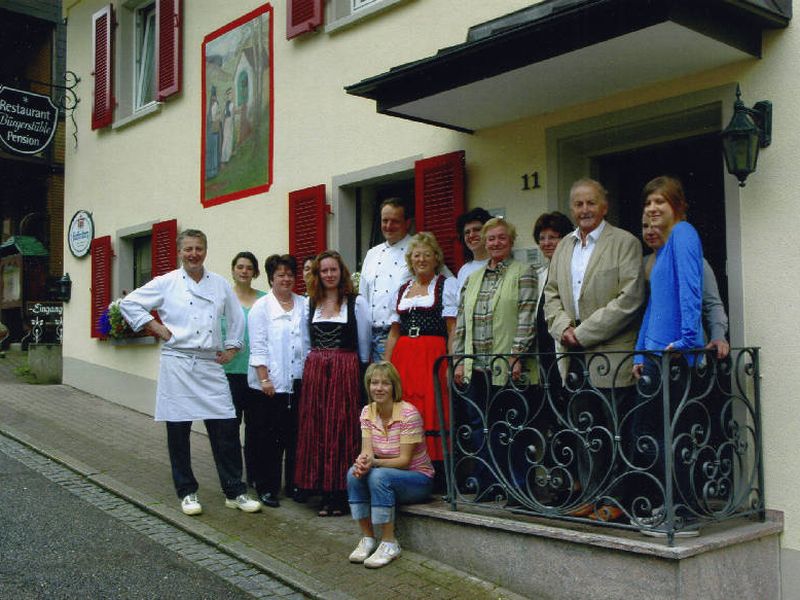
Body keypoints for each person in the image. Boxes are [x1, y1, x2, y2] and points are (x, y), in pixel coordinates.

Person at [119, 229, 261, 516]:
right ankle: (187, 491)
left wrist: (233, 348)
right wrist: (155, 327)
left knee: (226, 428)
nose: (193, 254)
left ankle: (235, 491)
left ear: (205, 251)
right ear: (179, 252)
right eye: (188, 249)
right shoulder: (166, 282)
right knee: (178, 430)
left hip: (210, 364)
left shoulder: (220, 285)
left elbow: (236, 320)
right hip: (178, 362)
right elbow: (129, 303)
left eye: (198, 248)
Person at [543, 179, 645, 521]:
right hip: (574, 358)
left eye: (590, 203)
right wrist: (563, 330)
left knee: (614, 430)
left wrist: (582, 333)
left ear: (604, 206)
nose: (584, 210)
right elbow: (552, 295)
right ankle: (590, 493)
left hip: (611, 356)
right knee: (584, 429)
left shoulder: (625, 243)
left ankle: (616, 500)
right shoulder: (564, 247)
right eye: (578, 204)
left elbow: (630, 299)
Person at [632, 176, 704, 536]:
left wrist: (688, 339)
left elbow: (692, 288)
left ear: (677, 205)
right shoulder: (662, 250)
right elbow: (654, 308)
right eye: (648, 204)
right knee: (651, 434)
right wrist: (639, 353)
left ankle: (683, 514)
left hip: (675, 357)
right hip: (657, 357)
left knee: (670, 438)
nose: (652, 209)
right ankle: (668, 507)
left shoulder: (684, 235)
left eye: (660, 202)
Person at [452, 218, 538, 493]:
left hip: (509, 366)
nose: (496, 243)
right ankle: (487, 482)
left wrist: (516, 356)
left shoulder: (524, 272)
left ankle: (517, 486)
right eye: (491, 239)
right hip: (477, 367)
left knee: (513, 426)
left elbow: (527, 317)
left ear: (511, 241)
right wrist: (459, 361)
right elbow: (462, 322)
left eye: (502, 238)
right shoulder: (472, 278)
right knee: (481, 426)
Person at [294, 250, 371, 516]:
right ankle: (322, 491)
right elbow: (306, 342)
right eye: (324, 270)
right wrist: (312, 369)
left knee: (342, 428)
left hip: (345, 368)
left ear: (342, 272)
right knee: (318, 429)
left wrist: (356, 374)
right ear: (318, 274)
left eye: (333, 270)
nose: (329, 275)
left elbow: (364, 345)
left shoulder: (356, 303)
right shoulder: (309, 303)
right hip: (316, 369)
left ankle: (340, 493)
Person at [347, 361, 434, 569]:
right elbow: (367, 451)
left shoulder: (408, 414)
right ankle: (368, 538)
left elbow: (404, 461)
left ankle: (389, 543)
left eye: (385, 383)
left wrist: (374, 463)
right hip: (389, 476)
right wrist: (363, 462)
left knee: (379, 476)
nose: (379, 388)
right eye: (374, 382)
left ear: (394, 386)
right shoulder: (367, 412)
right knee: (353, 474)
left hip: (418, 479)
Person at [384, 232, 458, 467]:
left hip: (433, 355)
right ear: (411, 260)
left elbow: (452, 328)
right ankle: (405, 460)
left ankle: (434, 465)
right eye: (417, 255)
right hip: (404, 356)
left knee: (433, 407)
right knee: (405, 406)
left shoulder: (446, 285)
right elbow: (394, 332)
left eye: (427, 255)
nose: (421, 259)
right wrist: (386, 365)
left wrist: (452, 360)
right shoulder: (402, 289)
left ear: (436, 258)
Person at [248, 254, 310, 508]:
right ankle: (266, 487)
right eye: (280, 275)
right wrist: (264, 379)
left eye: (289, 274)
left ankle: (294, 484)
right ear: (271, 278)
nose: (286, 279)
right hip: (269, 385)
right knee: (268, 439)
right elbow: (259, 345)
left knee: (295, 437)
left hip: (298, 382)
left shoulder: (305, 304)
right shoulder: (261, 307)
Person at [642, 218, 729, 359]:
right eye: (646, 226)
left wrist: (718, 335)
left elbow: (712, 304)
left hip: (688, 354)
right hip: (653, 354)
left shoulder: (695, 261)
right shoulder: (642, 264)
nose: (650, 231)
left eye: (657, 226)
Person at [221, 252, 266, 492]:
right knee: (229, 428)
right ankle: (233, 476)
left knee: (256, 429)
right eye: (239, 266)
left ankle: (255, 476)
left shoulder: (264, 300)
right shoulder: (223, 299)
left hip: (256, 373)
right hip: (230, 373)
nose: (244, 271)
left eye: (249, 267)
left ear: (255, 272)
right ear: (233, 270)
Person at [359, 198, 413, 362]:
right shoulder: (372, 253)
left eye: (395, 221)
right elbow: (362, 297)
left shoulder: (417, 249)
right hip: (370, 335)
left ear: (407, 223)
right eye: (385, 221)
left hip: (398, 333)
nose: (388, 226)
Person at [532, 211, 574, 384]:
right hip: (544, 355)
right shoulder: (540, 275)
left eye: (553, 237)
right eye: (542, 238)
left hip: (566, 353)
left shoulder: (573, 271)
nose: (546, 243)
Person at [455, 207, 492, 299]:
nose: (471, 235)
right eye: (467, 232)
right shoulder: (463, 270)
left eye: (477, 230)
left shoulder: (500, 265)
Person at [205, 87, 221, 179]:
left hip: (213, 130)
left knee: (213, 150)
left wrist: (212, 120)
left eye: (213, 96)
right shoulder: (212, 106)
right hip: (211, 130)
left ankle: (213, 171)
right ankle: (211, 171)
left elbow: (215, 118)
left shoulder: (215, 105)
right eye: (212, 96)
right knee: (210, 150)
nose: (212, 98)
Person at [221, 88, 234, 165]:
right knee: (227, 139)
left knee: (227, 139)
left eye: (231, 94)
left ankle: (226, 157)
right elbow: (231, 115)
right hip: (228, 122)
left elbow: (224, 115)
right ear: (228, 95)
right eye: (230, 94)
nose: (231, 95)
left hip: (226, 122)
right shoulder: (231, 104)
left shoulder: (226, 104)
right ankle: (225, 158)